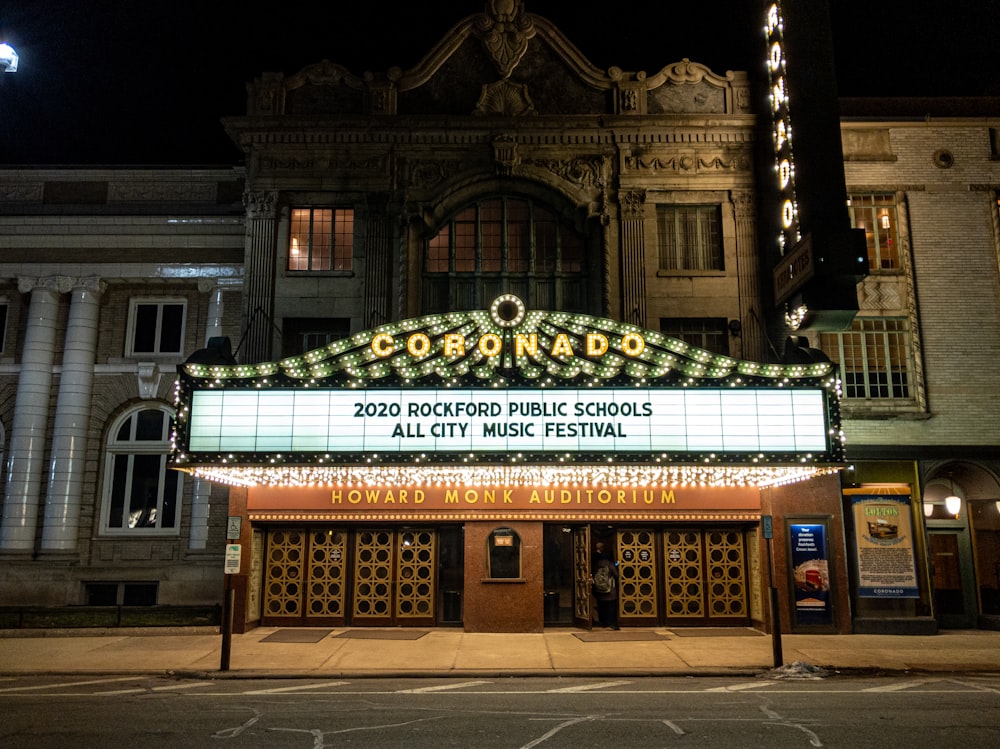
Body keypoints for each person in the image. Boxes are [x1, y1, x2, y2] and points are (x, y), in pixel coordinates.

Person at [591, 540, 619, 630]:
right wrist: (617, 564)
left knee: (601, 606)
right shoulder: (610, 564)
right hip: (610, 590)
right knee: (611, 607)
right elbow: (616, 575)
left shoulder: (596, 564)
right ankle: (611, 623)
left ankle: (602, 622)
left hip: (599, 590)